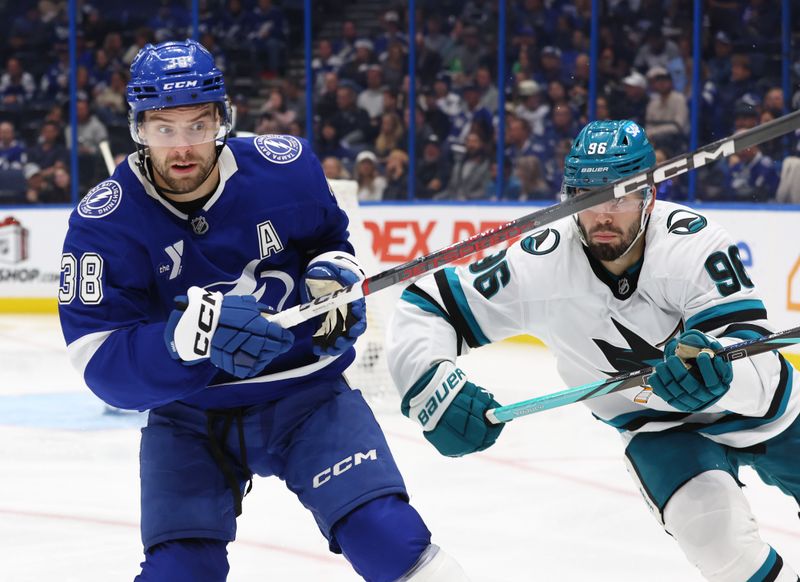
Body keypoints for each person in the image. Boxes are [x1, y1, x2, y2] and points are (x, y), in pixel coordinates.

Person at [58, 39, 469, 582]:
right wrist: (184, 340)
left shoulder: (286, 169)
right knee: (181, 571)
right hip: (191, 415)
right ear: (138, 129)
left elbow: (330, 239)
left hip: (307, 396)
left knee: (386, 536)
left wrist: (335, 277)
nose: (183, 148)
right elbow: (98, 362)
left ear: (224, 120)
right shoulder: (103, 224)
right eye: (164, 129)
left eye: (198, 126)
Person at [386, 119, 800, 580]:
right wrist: (429, 386)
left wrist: (718, 376)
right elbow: (427, 305)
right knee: (722, 549)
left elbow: (756, 361)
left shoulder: (693, 244)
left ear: (649, 197)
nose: (604, 214)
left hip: (772, 412)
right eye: (588, 195)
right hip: (659, 430)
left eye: (620, 195)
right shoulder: (538, 262)